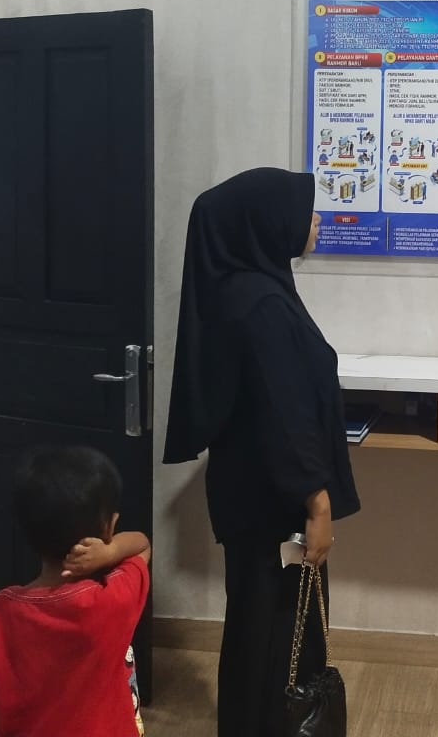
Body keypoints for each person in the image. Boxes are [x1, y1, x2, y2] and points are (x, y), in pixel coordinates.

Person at [163, 167, 360, 737]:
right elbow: (283, 415)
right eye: (301, 210)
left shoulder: (248, 291)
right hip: (276, 503)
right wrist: (317, 504)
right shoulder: (261, 305)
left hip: (252, 495)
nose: (314, 219)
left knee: (262, 625)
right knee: (273, 629)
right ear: (265, 224)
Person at [0, 445, 151, 737]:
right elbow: (142, 545)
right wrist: (110, 552)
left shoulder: (0, 611)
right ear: (109, 527)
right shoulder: (113, 599)